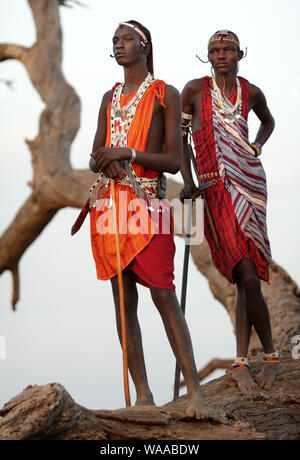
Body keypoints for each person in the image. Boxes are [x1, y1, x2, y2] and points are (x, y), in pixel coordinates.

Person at [85, 20, 218, 418]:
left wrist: (126, 154)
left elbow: (175, 162)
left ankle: (196, 393)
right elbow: (94, 152)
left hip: (149, 203)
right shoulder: (109, 98)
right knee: (123, 301)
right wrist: (104, 161)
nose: (119, 45)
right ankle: (143, 396)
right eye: (115, 41)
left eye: (126, 39)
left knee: (163, 293)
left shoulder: (166, 94)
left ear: (145, 47)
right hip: (110, 207)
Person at [180, 30, 279, 392]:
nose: (221, 55)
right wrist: (188, 182)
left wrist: (256, 146)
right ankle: (262, 355)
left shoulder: (250, 92)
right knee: (244, 275)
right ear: (207, 55)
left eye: (228, 50)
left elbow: (268, 121)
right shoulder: (194, 90)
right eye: (214, 50)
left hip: (249, 187)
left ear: (240, 54)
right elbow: (181, 140)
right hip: (212, 190)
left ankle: (252, 358)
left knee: (248, 276)